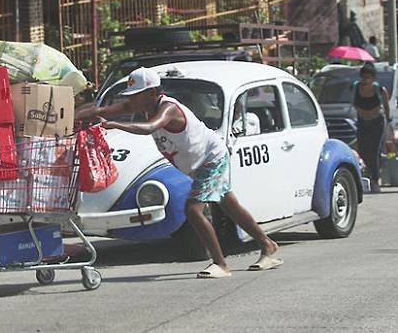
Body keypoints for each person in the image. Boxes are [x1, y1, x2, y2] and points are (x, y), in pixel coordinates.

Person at [76, 67, 282, 278]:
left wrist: (114, 124)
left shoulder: (168, 109)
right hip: (196, 164)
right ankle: (268, 245)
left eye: (137, 95)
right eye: (131, 96)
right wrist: (69, 118)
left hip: (211, 160)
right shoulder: (142, 105)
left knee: (193, 210)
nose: (133, 101)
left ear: (152, 93)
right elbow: (99, 110)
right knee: (230, 205)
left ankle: (220, 264)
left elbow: (150, 127)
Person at [353, 62, 391, 192]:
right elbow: (353, 103)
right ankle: (367, 177)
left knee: (374, 151)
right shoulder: (356, 87)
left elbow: (386, 106)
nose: (365, 80)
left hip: (377, 122)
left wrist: (389, 120)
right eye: (363, 77)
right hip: (362, 122)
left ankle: (375, 180)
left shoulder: (379, 89)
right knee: (363, 150)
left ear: (373, 78)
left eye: (368, 77)